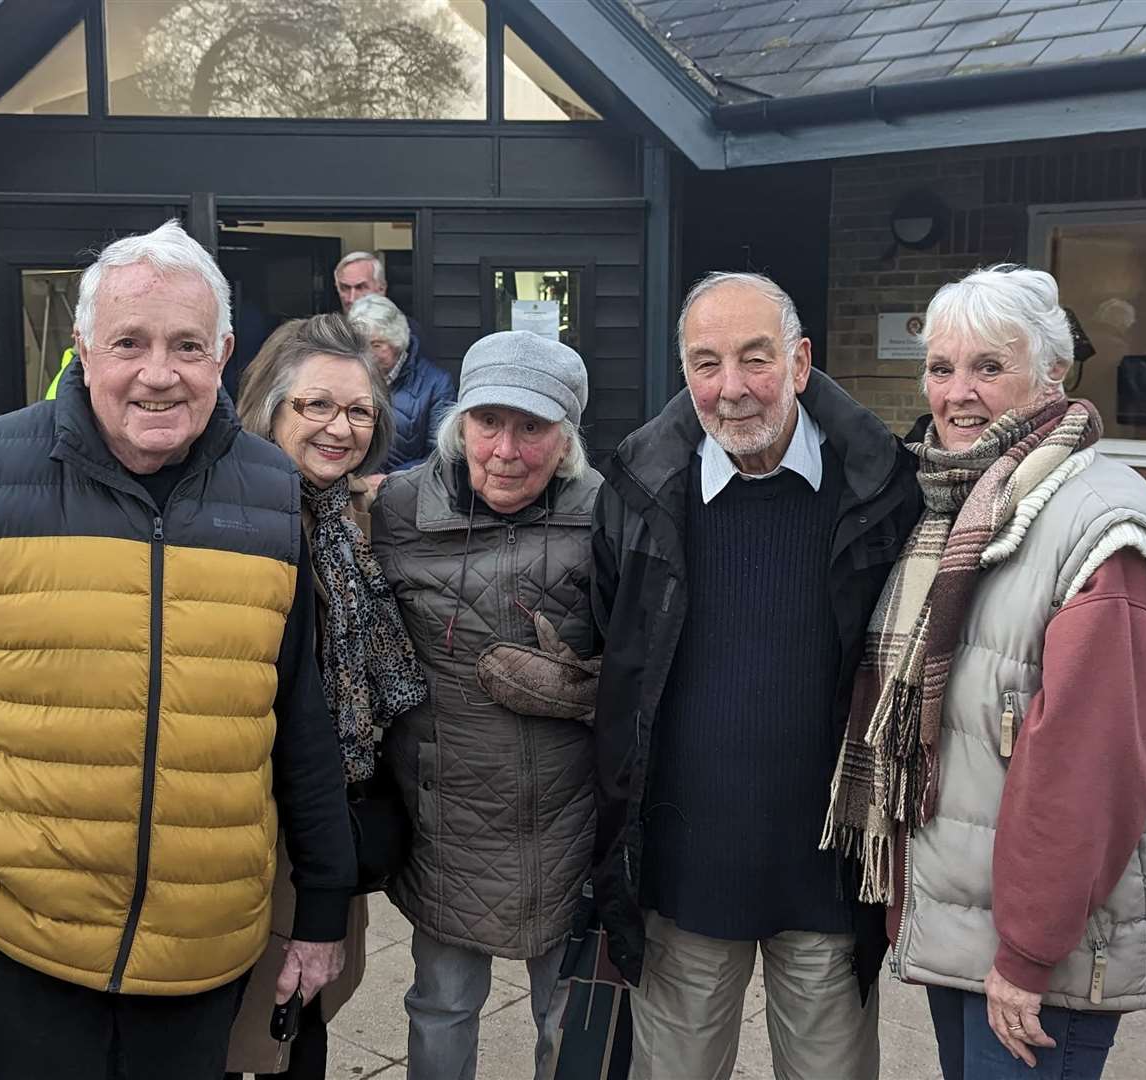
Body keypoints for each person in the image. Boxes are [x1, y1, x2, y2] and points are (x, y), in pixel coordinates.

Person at [0, 220, 356, 1080]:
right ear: (84, 349)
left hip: (204, 945)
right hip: (23, 940)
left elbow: (298, 722)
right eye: (129, 342)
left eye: (187, 345)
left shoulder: (273, 494)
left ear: (224, 353)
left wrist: (320, 906)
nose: (158, 373)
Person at [820, 265, 1146, 1080]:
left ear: (1051, 374)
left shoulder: (1098, 529)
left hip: (1043, 952)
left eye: (988, 368)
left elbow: (1086, 774)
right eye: (940, 368)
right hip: (968, 918)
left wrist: (1027, 956)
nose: (956, 393)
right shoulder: (963, 500)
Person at [589, 271, 921, 1080]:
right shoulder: (637, 494)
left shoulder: (881, 491)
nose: (730, 389)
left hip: (827, 869)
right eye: (705, 363)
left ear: (801, 363)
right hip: (683, 866)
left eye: (754, 358)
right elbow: (613, 643)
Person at [371, 330, 603, 1080]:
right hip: (449, 808)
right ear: (458, 422)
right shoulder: (395, 509)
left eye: (532, 427)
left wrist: (593, 683)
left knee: (567, 1011)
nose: (505, 449)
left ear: (564, 436)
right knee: (440, 1002)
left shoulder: (611, 515)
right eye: (487, 422)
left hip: (566, 811)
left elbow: (659, 641)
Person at [225, 315, 427, 1078]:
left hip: (328, 814)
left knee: (304, 1010)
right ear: (269, 409)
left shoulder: (349, 515)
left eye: (359, 410)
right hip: (248, 817)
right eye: (317, 406)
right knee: (251, 1017)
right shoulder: (237, 517)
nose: (340, 428)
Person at [347, 293, 455, 478]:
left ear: (397, 342)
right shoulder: (347, 379)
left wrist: (390, 479)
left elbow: (441, 455)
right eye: (360, 344)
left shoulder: (436, 385)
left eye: (375, 345)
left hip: (405, 494)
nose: (365, 353)